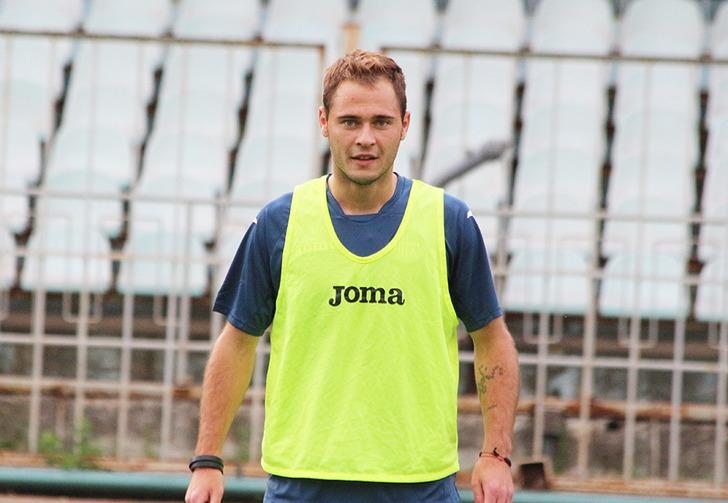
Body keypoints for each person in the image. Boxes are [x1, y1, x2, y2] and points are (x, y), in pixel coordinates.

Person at [185, 49, 519, 503]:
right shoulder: (280, 222)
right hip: (301, 484)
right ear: (324, 122)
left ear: (405, 124)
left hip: (420, 485)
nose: (366, 138)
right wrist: (207, 460)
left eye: (381, 122)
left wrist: (496, 453)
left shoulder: (449, 221)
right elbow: (237, 342)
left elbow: (492, 339)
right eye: (350, 122)